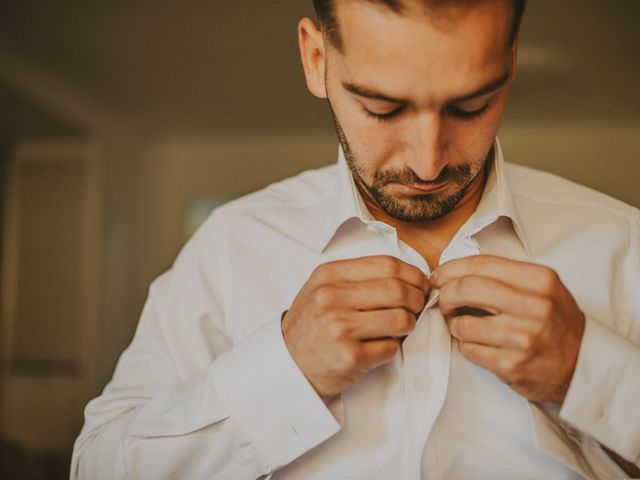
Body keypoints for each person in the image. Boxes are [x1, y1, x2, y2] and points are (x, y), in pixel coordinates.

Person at [71, 0, 640, 478]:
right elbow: (96, 467)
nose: (426, 162)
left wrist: (588, 372)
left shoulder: (622, 243)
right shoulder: (229, 247)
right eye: (383, 108)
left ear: (510, 62)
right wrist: (283, 371)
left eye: (470, 106)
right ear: (316, 59)